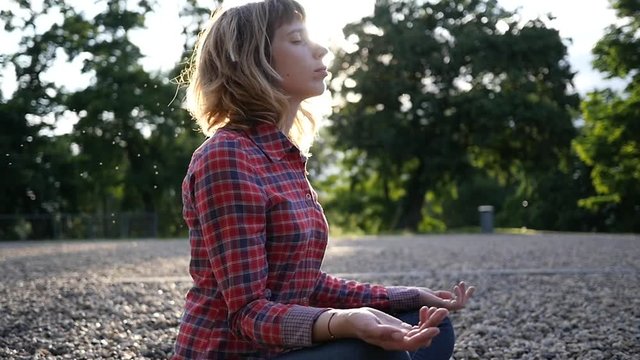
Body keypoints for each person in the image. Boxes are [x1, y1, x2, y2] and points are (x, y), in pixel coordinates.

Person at [172, 1, 475, 359]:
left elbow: (304, 283)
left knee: (428, 325)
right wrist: (344, 322)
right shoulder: (227, 157)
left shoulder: (282, 155)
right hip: (236, 354)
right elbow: (248, 313)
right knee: (383, 353)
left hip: (285, 345)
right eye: (297, 39)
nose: (321, 48)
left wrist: (408, 295)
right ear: (254, 60)